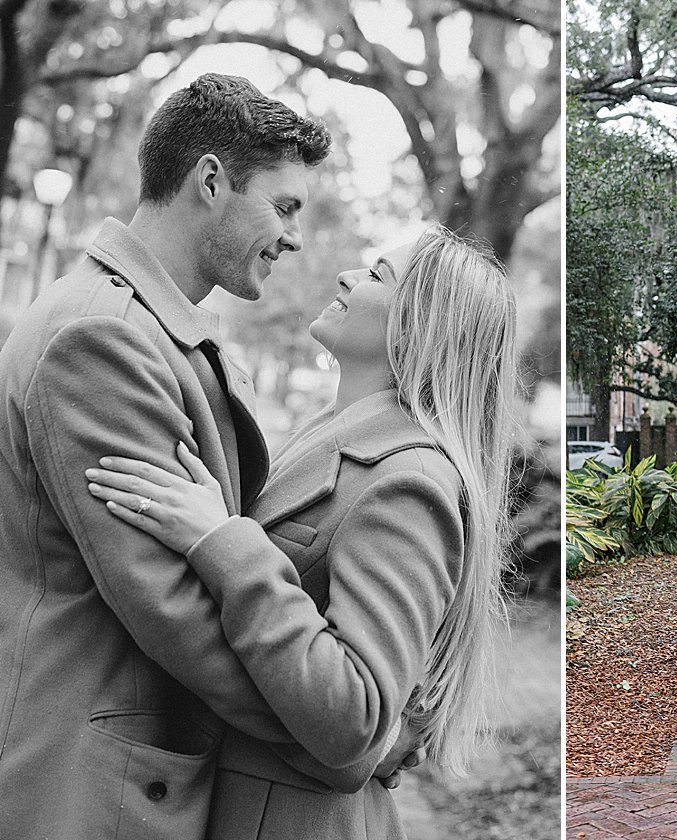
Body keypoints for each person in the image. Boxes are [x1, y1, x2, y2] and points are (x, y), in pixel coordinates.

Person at [84, 226, 517, 839]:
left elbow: (352, 715)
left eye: (378, 275)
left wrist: (222, 542)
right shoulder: (333, 436)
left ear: (424, 325)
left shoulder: (409, 482)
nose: (347, 276)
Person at [0, 73, 342, 838]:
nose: (294, 237)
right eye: (284, 207)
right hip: (84, 784)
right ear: (211, 181)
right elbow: (171, 608)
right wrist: (332, 735)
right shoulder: (103, 337)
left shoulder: (146, 327)